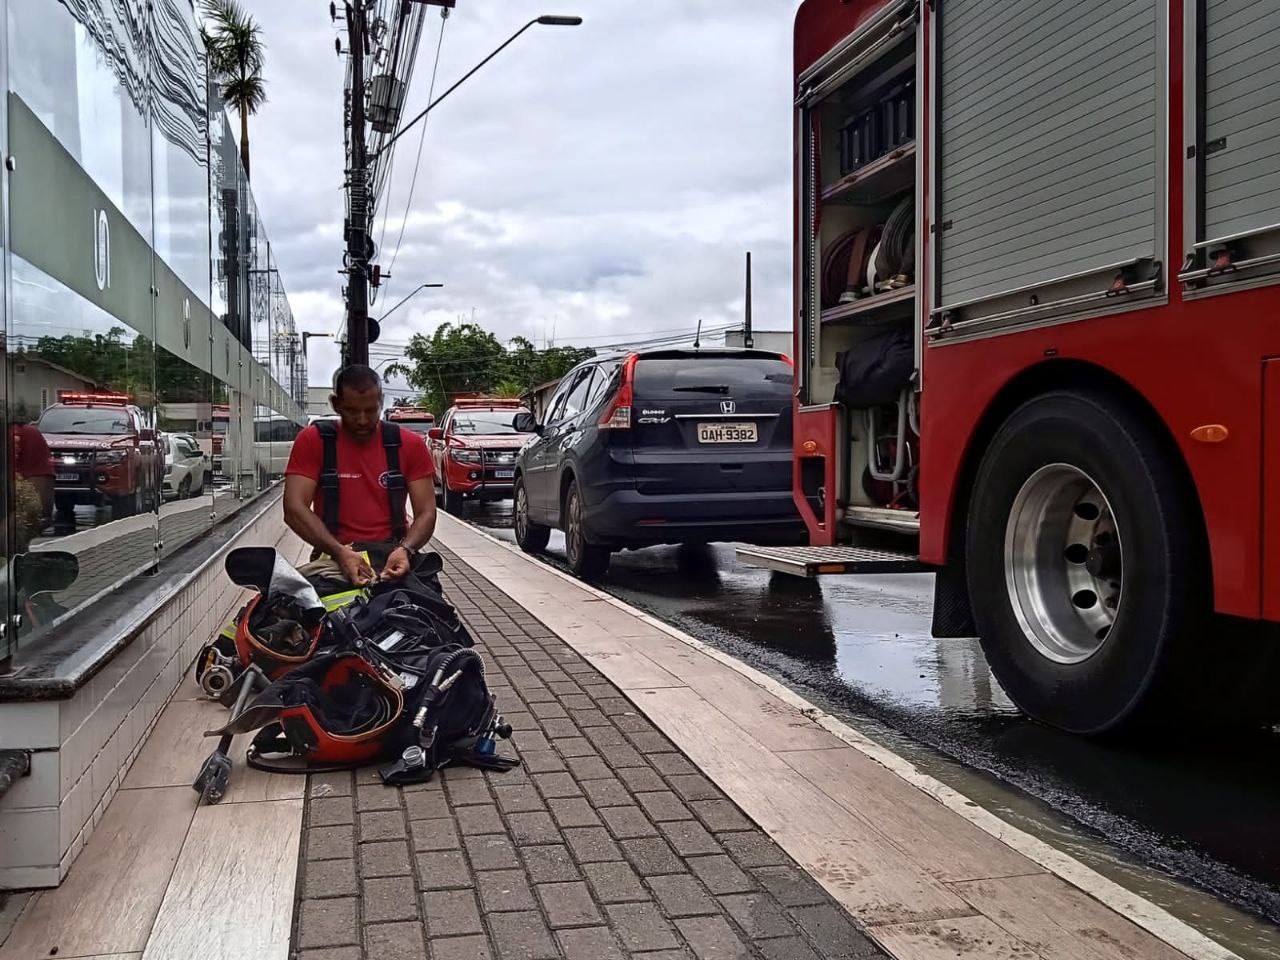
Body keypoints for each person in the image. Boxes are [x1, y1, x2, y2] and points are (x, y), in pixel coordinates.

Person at [284, 365, 436, 586]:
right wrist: (339, 552)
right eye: (353, 411)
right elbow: (293, 508)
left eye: (371, 410)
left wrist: (406, 549)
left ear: (381, 402)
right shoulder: (314, 441)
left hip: (392, 558)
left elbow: (426, 512)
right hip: (333, 558)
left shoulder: (409, 445)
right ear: (336, 405)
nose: (363, 420)